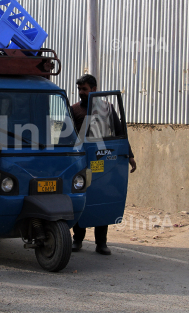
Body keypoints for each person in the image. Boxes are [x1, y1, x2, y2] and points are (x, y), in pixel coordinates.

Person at [70, 74, 136, 255]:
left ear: (94, 90)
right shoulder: (74, 110)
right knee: (81, 199)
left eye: (84, 89)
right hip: (82, 162)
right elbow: (67, 136)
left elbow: (120, 132)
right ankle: (77, 239)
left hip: (104, 162)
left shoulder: (107, 108)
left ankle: (101, 243)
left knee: (102, 199)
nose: (81, 92)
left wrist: (129, 155)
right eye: (79, 89)